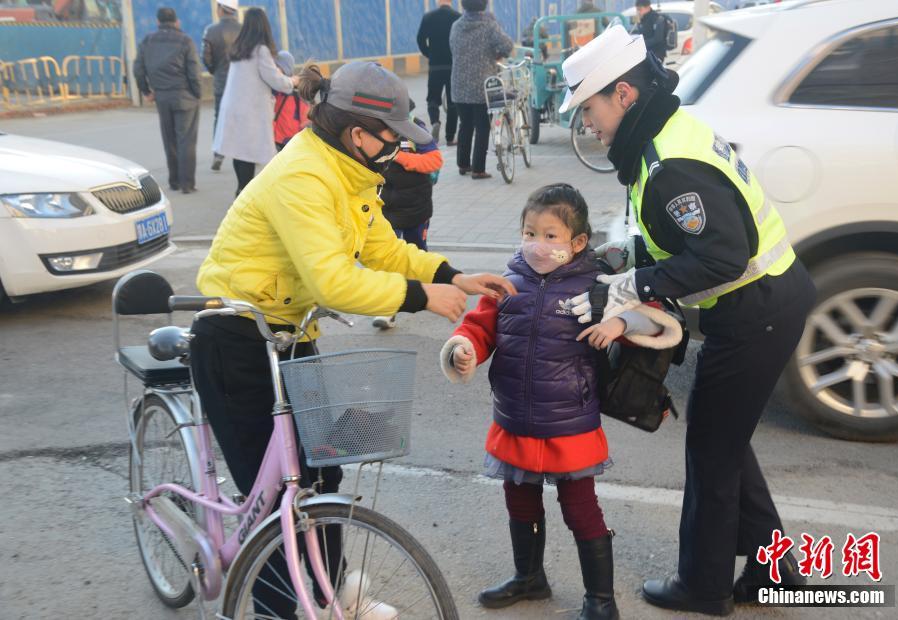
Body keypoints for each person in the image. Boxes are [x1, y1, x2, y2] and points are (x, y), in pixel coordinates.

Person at [191, 59, 516, 618]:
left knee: (323, 473)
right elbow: (333, 280)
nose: (398, 151)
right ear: (359, 134)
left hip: (289, 335)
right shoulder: (305, 176)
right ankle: (280, 609)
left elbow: (385, 249)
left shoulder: (350, 172)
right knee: (274, 502)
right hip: (235, 338)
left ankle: (327, 594)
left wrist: (451, 275)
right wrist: (418, 298)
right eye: (392, 139)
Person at [560, 25, 816, 615]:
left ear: (624, 94)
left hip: (758, 310)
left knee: (711, 448)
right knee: (723, 441)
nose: (588, 125)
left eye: (590, 108)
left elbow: (721, 253)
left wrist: (636, 285)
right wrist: (630, 259)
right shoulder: (666, 134)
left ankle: (703, 585)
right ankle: (779, 571)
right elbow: (680, 236)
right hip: (763, 302)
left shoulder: (669, 162)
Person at [440, 184, 679, 620]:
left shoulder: (599, 285)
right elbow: (478, 329)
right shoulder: (505, 283)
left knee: (580, 507)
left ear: (578, 242)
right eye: (530, 232)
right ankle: (528, 577)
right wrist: (464, 349)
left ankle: (600, 600)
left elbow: (657, 316)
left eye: (551, 236)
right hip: (514, 414)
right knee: (520, 499)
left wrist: (620, 321)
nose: (538, 243)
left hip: (570, 420)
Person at [372, 99, 443, 330]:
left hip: (416, 205)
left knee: (417, 250)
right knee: (387, 256)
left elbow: (435, 160)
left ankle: (427, 290)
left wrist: (400, 157)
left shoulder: (416, 130)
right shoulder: (373, 130)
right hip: (385, 206)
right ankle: (388, 309)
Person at [213, 7, 297, 196]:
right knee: (250, 154)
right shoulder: (261, 50)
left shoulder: (239, 48)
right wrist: (293, 81)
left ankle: (241, 189)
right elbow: (275, 79)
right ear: (264, 26)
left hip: (235, 110)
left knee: (240, 153)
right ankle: (246, 195)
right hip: (250, 113)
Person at [132, 7, 201, 194]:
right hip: (185, 96)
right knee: (186, 140)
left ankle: (175, 181)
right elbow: (193, 71)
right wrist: (197, 93)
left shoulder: (148, 41)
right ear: (176, 22)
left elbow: (138, 69)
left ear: (157, 22)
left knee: (169, 139)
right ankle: (187, 184)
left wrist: (147, 91)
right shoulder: (186, 40)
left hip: (162, 96)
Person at [449, 0, 513, 180]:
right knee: (483, 126)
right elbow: (507, 45)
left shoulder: (456, 26)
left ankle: (463, 164)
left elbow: (452, 48)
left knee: (465, 124)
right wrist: (496, 54)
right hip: (482, 86)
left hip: (459, 84)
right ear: (484, 5)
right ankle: (478, 169)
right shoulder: (489, 25)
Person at [202, 0, 242, 171]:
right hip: (241, 83)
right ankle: (244, 153)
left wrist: (215, 70)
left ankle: (218, 154)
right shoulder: (243, 30)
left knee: (220, 118)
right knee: (242, 117)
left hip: (221, 81)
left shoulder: (211, 31)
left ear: (220, 9)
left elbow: (206, 57)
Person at [416, 0, 461, 146]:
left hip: (435, 65)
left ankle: (435, 121)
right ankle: (449, 137)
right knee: (453, 101)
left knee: (432, 99)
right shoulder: (457, 17)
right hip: (452, 65)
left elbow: (420, 39)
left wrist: (430, 54)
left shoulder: (428, 17)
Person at [272, 51, 310, 151]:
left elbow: (306, 119)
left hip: (292, 138)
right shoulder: (274, 88)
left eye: (277, 66)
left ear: (286, 69)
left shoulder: (297, 92)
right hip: (277, 137)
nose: (274, 69)